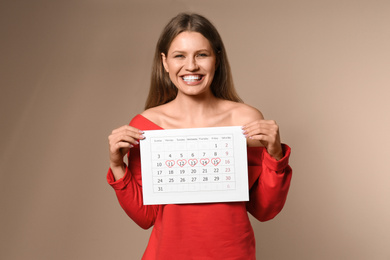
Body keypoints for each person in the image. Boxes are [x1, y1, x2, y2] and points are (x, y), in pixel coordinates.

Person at [107, 13, 292, 260]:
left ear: (216, 59)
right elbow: (145, 217)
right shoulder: (146, 126)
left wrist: (275, 155)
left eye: (201, 55)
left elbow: (264, 209)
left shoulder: (246, 120)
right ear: (165, 62)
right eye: (179, 56)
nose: (191, 66)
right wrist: (117, 166)